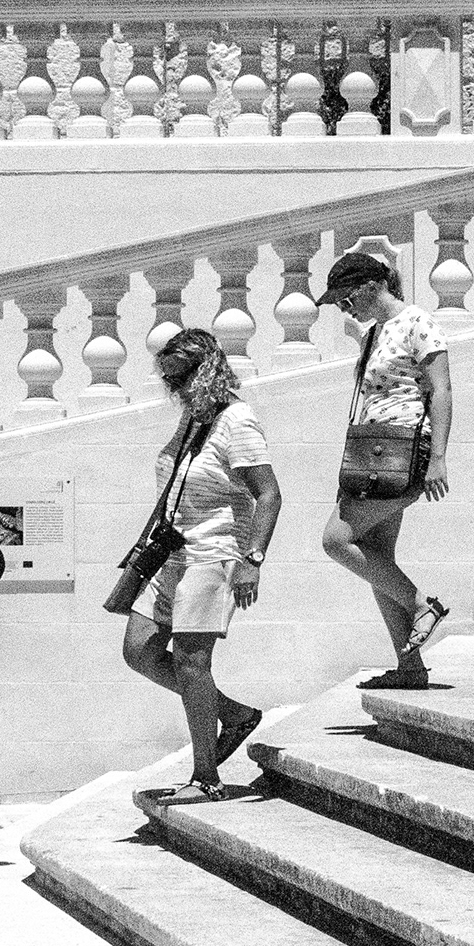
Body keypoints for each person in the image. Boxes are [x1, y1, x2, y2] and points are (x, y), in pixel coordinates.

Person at [122, 328, 282, 804]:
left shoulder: (237, 420)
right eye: (170, 381)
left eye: (183, 377)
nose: (177, 388)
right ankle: (232, 715)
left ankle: (206, 776)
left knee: (193, 662)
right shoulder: (195, 419)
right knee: (139, 650)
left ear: (207, 367)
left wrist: (253, 560)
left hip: (213, 553)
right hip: (170, 553)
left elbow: (269, 494)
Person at [316, 252, 454, 689]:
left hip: (400, 452)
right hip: (371, 453)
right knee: (378, 560)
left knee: (336, 540)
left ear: (369, 286)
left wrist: (438, 459)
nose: (344, 307)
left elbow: (442, 389)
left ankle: (421, 606)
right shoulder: (374, 332)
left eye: (344, 298)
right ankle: (410, 667)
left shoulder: (418, 322)